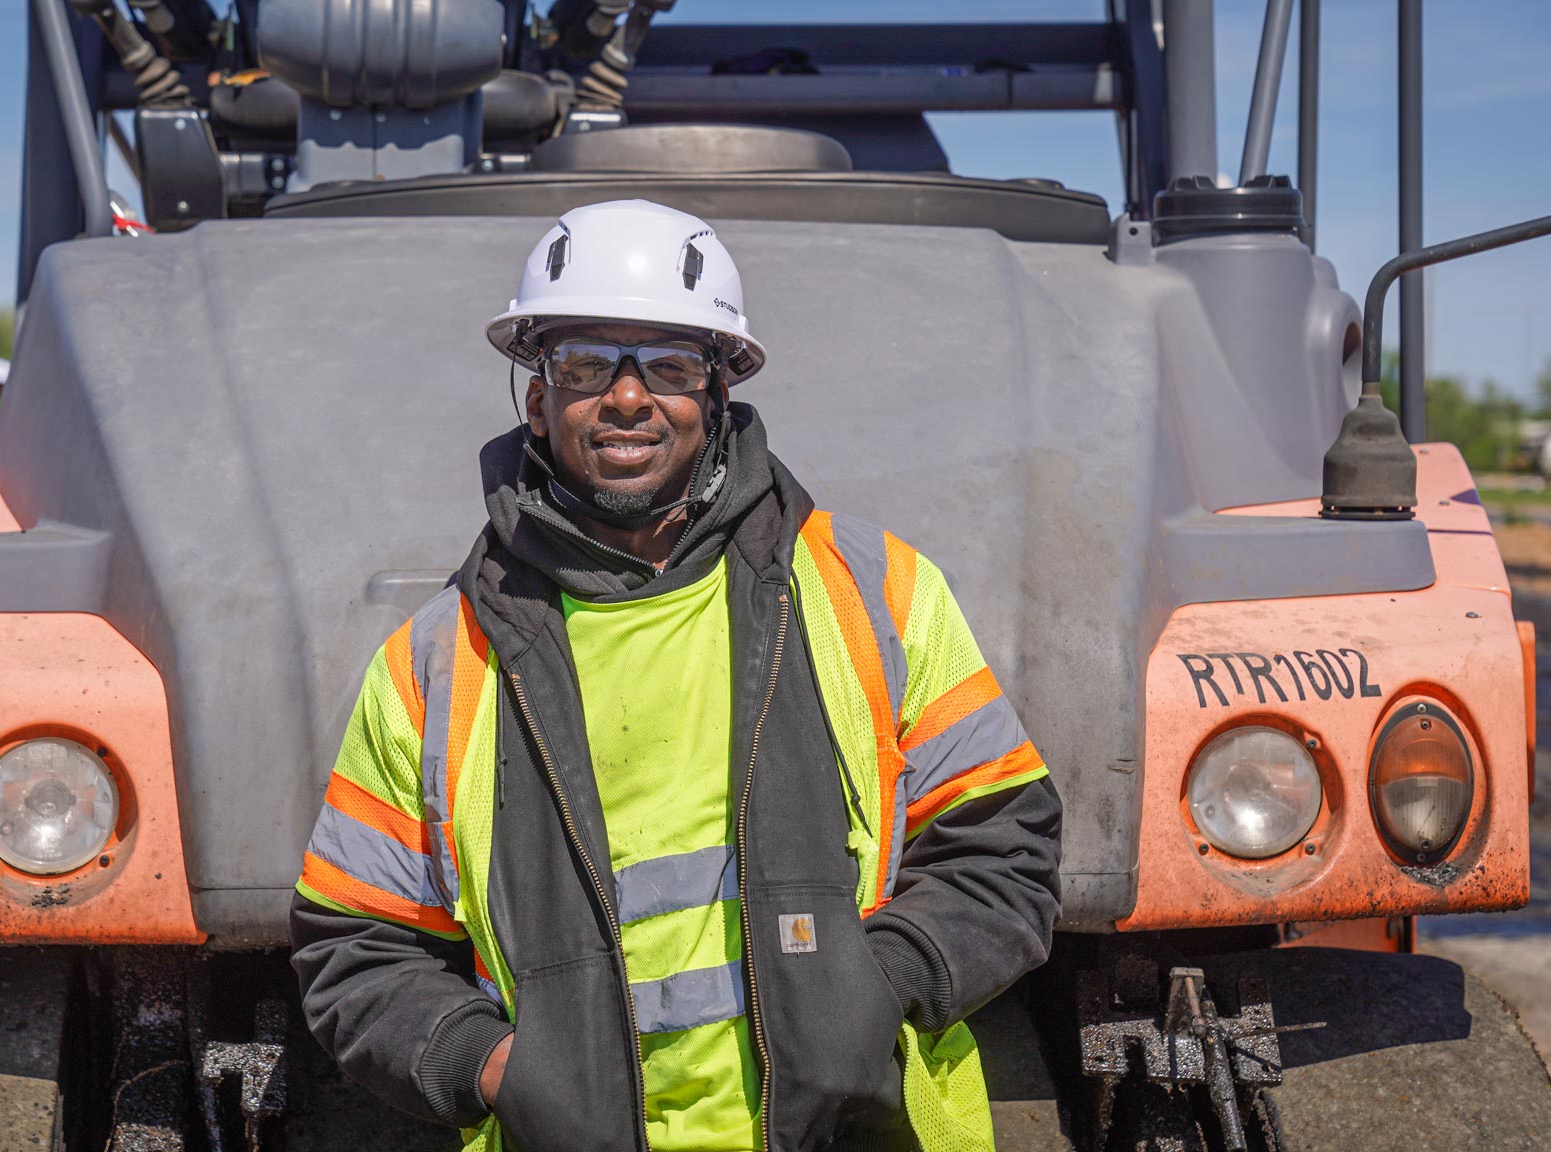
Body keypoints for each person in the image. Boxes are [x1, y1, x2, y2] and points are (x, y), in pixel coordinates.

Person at [291, 200, 1062, 1152]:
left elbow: (1005, 846)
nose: (627, 398)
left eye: (669, 365)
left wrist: (874, 988)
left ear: (718, 392)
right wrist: (493, 1068)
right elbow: (354, 943)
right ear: (537, 400)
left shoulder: (875, 593)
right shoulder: (437, 662)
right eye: (585, 365)